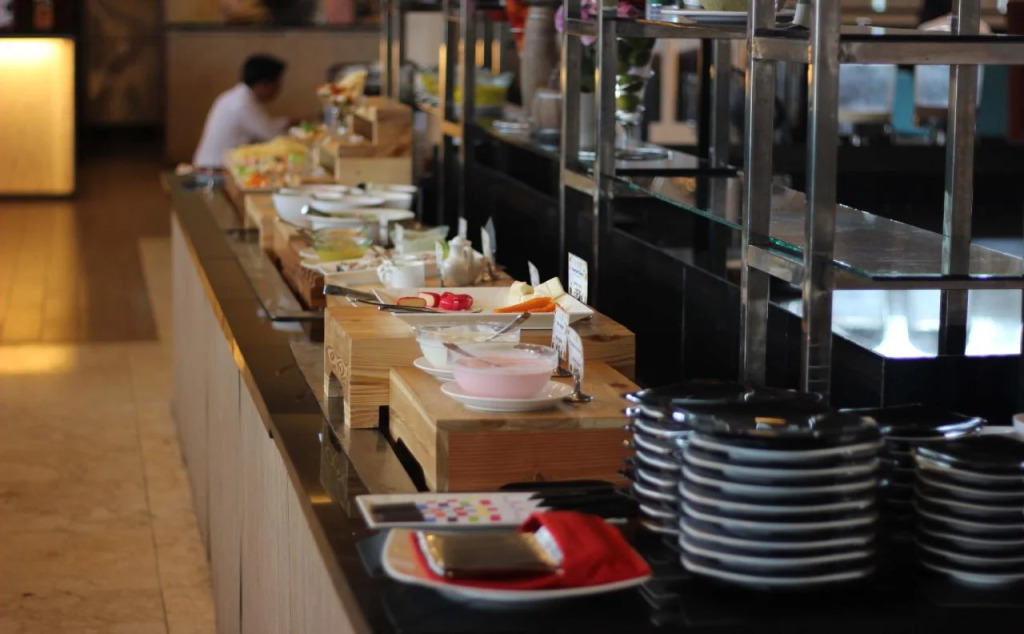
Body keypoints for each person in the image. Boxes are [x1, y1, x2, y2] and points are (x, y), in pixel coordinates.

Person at [192, 54, 290, 168]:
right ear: (263, 84)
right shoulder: (244, 104)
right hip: (216, 169)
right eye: (277, 85)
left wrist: (287, 122)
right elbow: (273, 137)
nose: (278, 90)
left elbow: (264, 125)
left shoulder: (236, 96)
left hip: (210, 164)